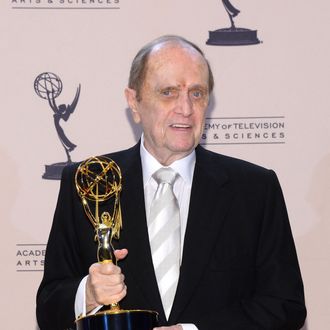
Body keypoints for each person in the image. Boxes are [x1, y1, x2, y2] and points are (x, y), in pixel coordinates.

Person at [36, 35, 306, 330]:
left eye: (197, 93)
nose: (186, 108)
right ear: (134, 102)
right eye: (168, 92)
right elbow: (49, 307)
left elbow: (285, 306)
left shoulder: (255, 190)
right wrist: (87, 294)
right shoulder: (88, 182)